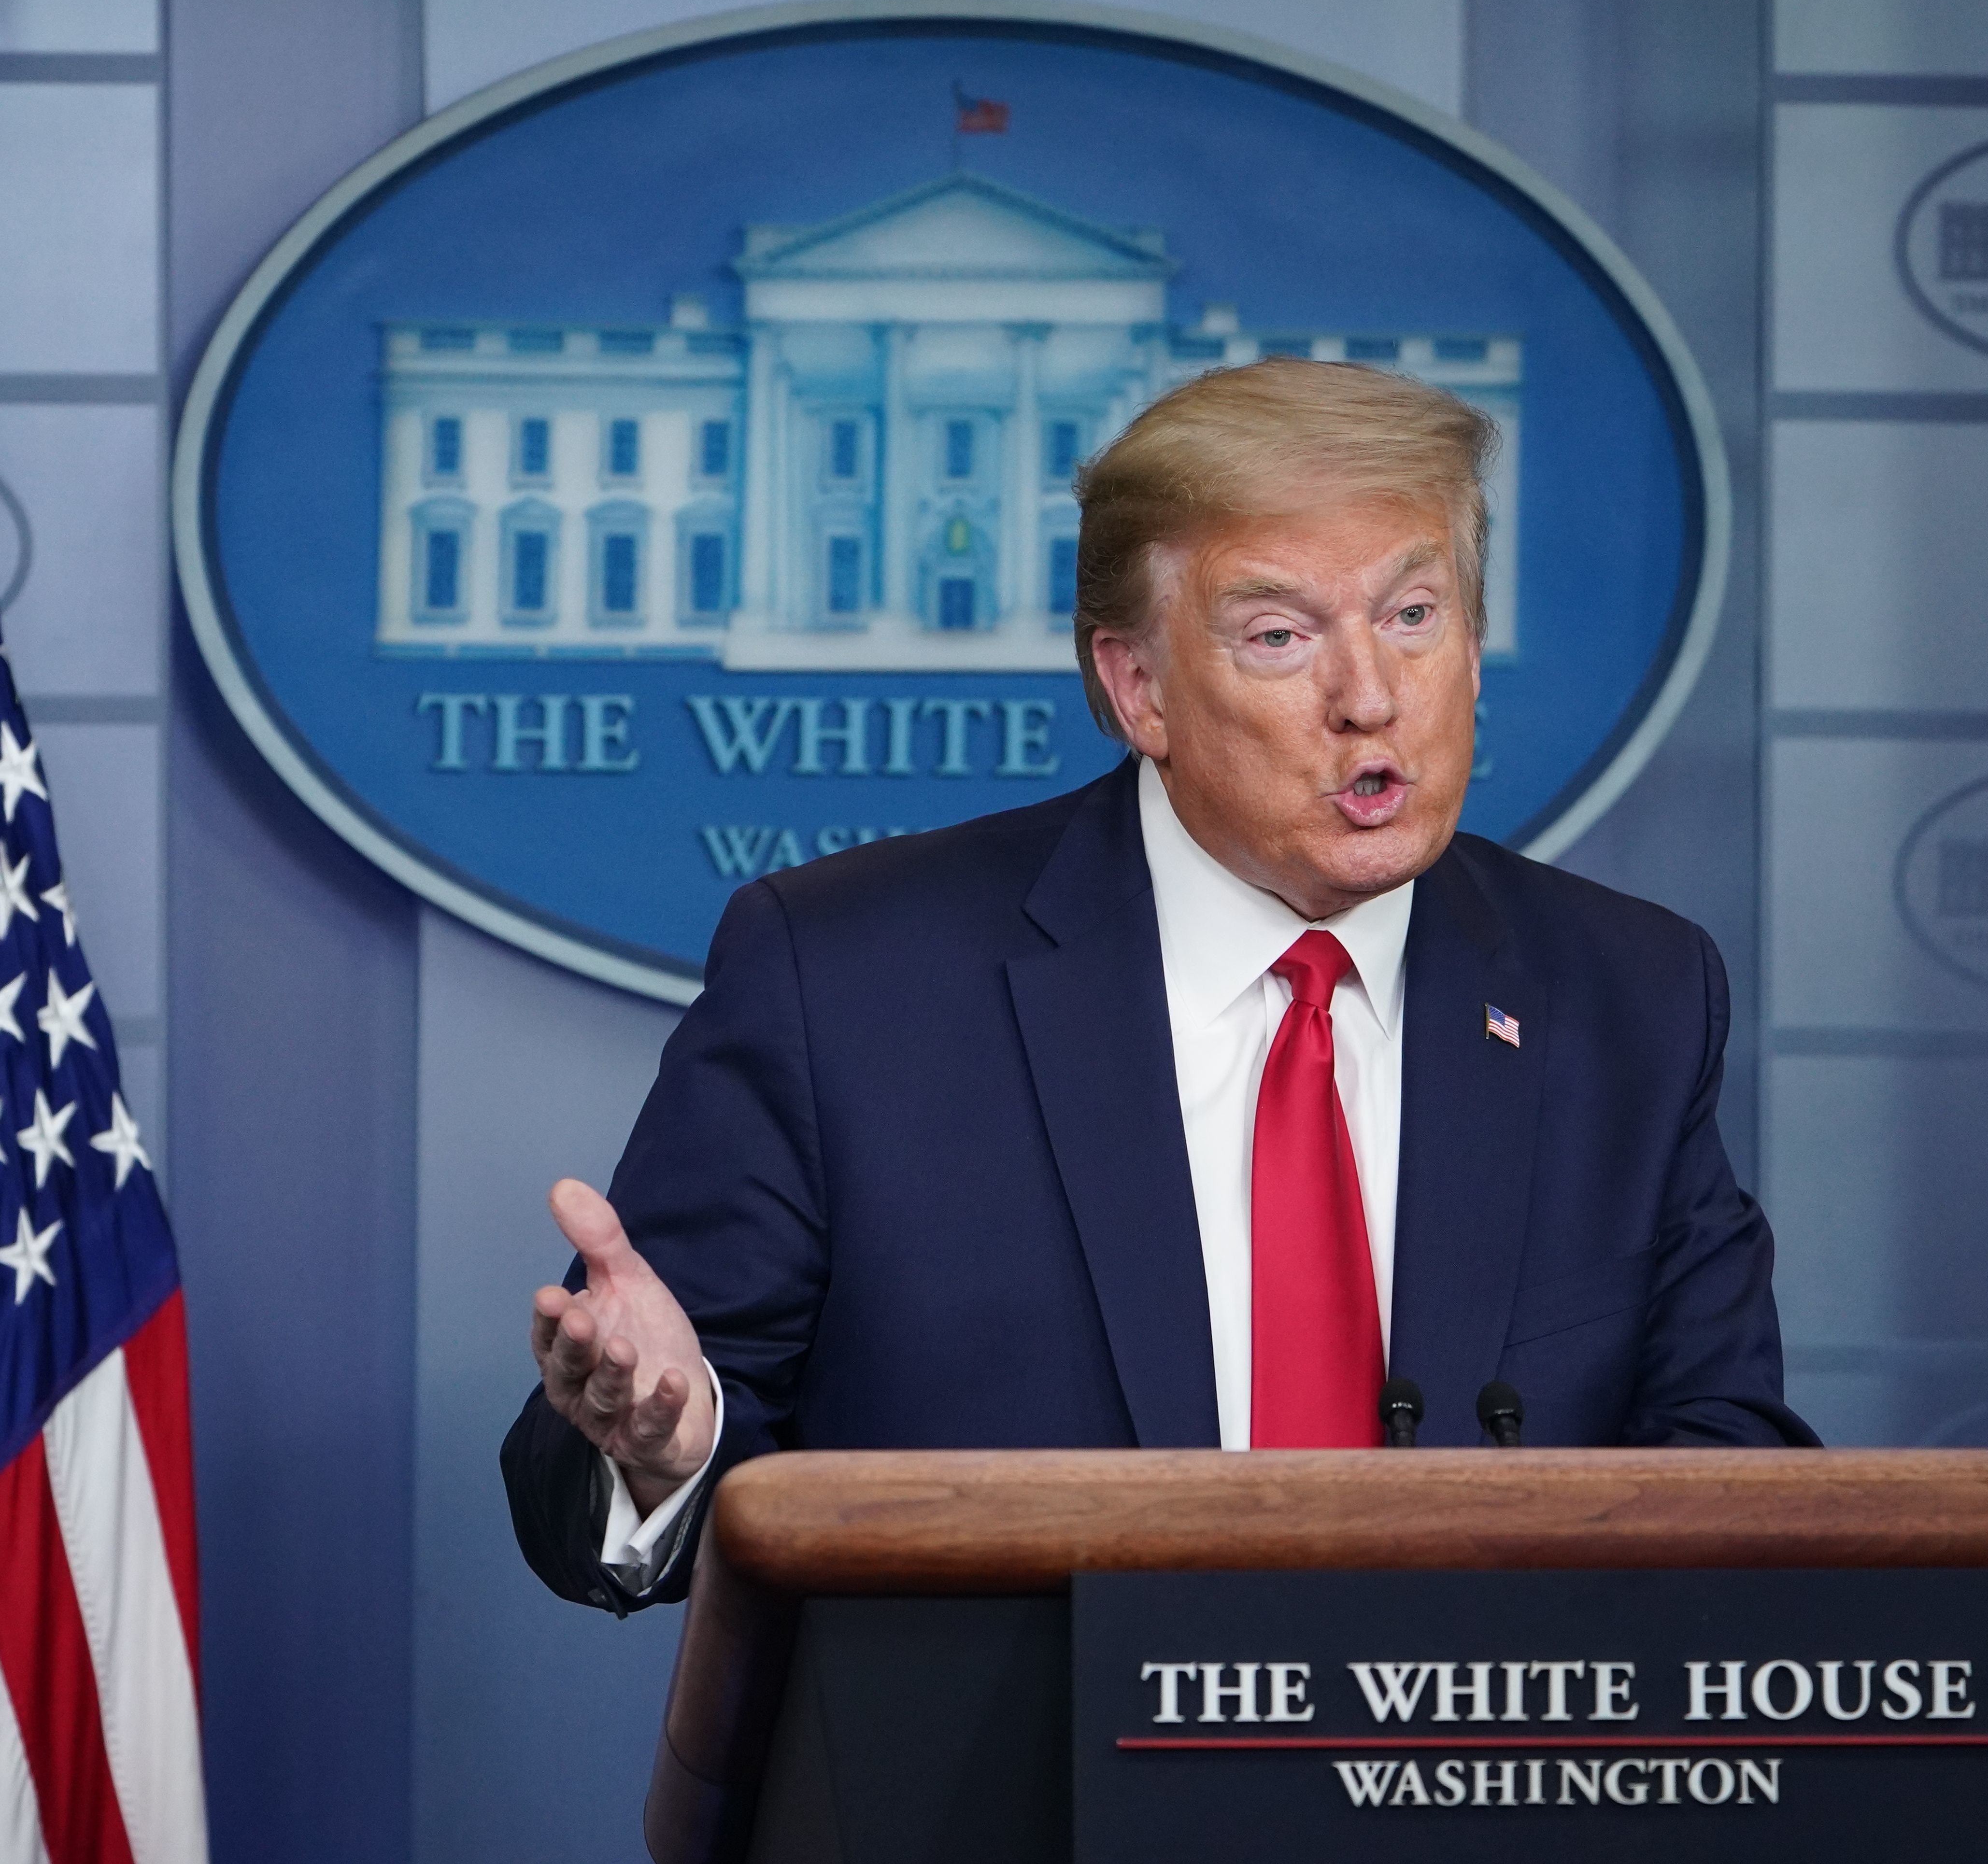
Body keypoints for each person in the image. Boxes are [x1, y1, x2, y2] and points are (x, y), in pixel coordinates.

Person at [501, 358, 1815, 1615]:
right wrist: (665, 1448)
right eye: (1282, 634)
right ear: (1139, 688)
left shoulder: (1628, 995)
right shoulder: (847, 981)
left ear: (1472, 647)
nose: (1372, 697)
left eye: (1414, 616)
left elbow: (1730, 1461)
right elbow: (602, 1470)